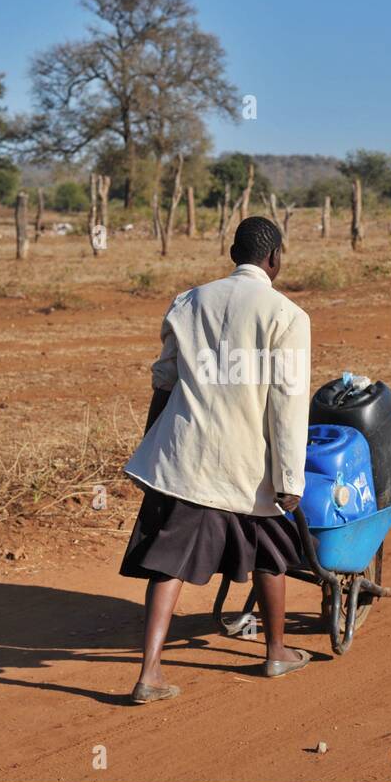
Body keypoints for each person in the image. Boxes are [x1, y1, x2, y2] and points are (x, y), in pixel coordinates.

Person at [119, 216, 313, 704]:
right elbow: (288, 401)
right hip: (249, 463)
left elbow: (164, 380)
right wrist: (290, 477)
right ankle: (274, 651)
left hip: (185, 456)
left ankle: (150, 674)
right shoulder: (286, 315)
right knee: (271, 552)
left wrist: (151, 447)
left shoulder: (188, 302)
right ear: (275, 259)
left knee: (169, 564)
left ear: (233, 254)